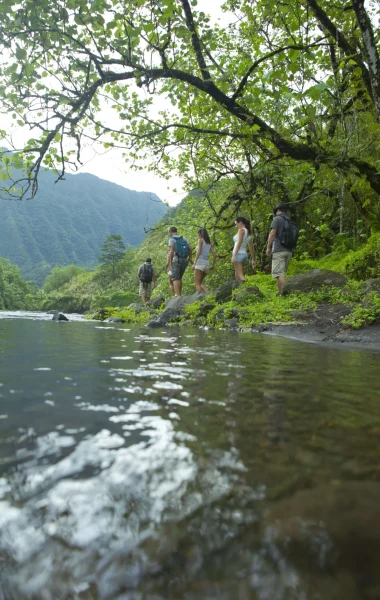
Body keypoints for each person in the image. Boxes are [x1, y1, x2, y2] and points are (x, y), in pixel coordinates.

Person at [266, 202, 294, 296]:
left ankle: (288, 293)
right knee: (281, 273)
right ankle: (280, 292)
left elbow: (272, 233)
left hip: (279, 250)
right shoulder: (289, 220)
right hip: (289, 250)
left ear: (278, 210)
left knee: (279, 274)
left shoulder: (277, 219)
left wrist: (268, 247)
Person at [165, 226, 192, 297]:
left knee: (175, 279)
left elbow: (171, 252)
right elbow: (190, 248)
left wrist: (170, 263)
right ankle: (179, 294)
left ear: (170, 231)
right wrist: (190, 258)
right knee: (179, 278)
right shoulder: (184, 238)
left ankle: (178, 297)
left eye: (169, 232)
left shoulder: (171, 239)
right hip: (185, 259)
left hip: (176, 260)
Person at [231, 216, 256, 281]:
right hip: (244, 255)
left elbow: (239, 243)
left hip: (238, 254)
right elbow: (251, 248)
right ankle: (239, 289)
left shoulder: (241, 230)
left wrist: (234, 256)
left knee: (240, 275)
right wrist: (253, 259)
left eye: (236, 224)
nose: (236, 226)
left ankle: (248, 287)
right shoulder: (248, 233)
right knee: (237, 275)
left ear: (241, 223)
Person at [192, 228, 216, 292]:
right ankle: (207, 294)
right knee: (200, 283)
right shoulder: (209, 243)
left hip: (200, 263)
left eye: (198, 234)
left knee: (197, 284)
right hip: (207, 264)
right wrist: (213, 265)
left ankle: (199, 299)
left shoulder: (200, 240)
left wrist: (194, 263)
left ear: (200, 234)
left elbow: (198, 252)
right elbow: (214, 255)